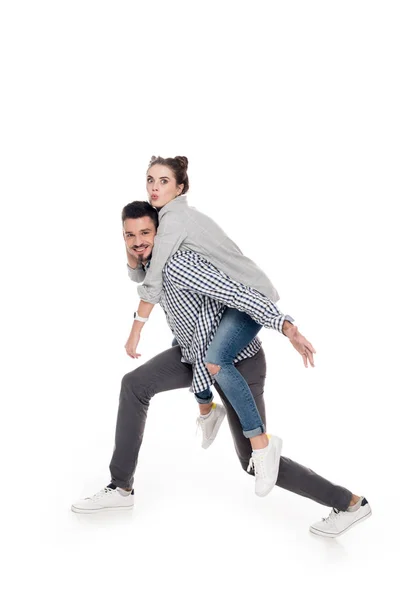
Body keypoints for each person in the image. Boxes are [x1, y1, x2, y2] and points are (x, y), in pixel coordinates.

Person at [124, 156, 315, 495]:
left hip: (251, 297)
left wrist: (287, 326)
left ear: (180, 187)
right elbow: (149, 264)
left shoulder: (174, 222)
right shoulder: (167, 223)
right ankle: (208, 412)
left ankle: (263, 445)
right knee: (190, 347)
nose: (154, 187)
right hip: (231, 302)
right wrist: (132, 253)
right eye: (150, 180)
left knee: (213, 359)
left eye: (163, 181)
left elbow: (155, 280)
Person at [71, 326, 371, 539]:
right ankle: (120, 487)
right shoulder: (155, 264)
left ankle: (349, 503)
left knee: (254, 462)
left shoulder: (197, 254)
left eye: (145, 232)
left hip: (240, 365)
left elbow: (249, 300)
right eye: (131, 235)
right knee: (134, 383)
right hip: (196, 356)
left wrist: (288, 328)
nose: (138, 243)